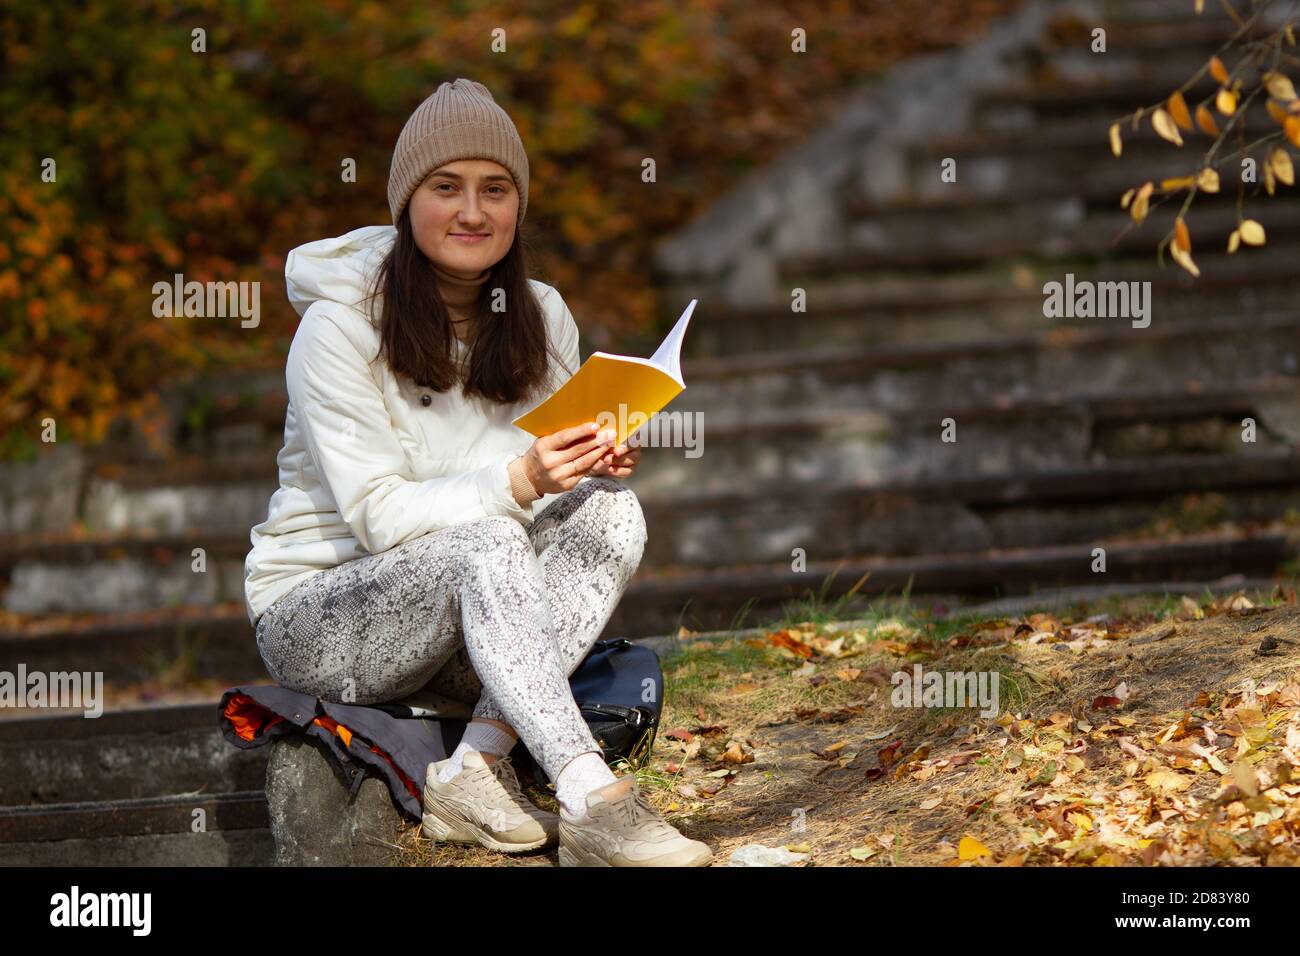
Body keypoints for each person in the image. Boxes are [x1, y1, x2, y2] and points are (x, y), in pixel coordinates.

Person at [242, 78, 711, 867]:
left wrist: (587, 460)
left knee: (611, 510)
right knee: (490, 537)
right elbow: (380, 518)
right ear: (406, 202)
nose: (472, 212)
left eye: (495, 190)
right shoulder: (335, 328)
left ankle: (474, 765)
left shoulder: (540, 313)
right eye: (445, 187)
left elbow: (546, 484)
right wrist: (524, 477)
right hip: (322, 616)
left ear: (518, 206)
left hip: (473, 612)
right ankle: (591, 795)